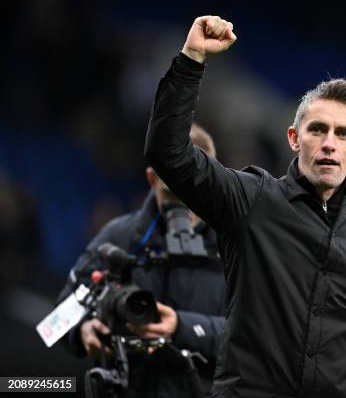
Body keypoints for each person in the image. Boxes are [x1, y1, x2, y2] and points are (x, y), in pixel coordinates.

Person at [144, 15, 346, 398]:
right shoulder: (251, 199)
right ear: (294, 139)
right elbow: (169, 154)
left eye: (343, 133)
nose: (330, 143)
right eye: (318, 129)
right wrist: (192, 58)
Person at [57, 125, 225, 397]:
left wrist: (183, 327)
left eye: (193, 193)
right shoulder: (119, 237)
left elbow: (265, 336)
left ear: (214, 179)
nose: (184, 208)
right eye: (172, 194)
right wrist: (83, 330)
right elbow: (58, 320)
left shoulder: (238, 244)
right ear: (151, 179)